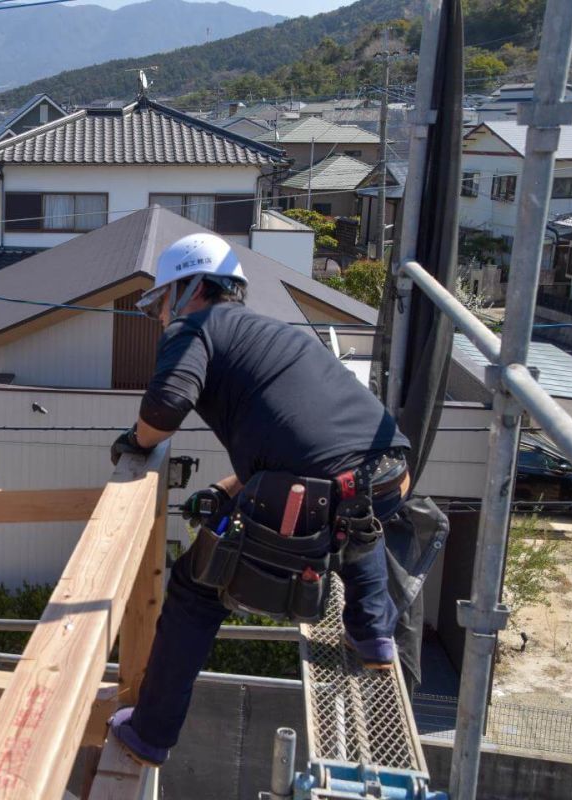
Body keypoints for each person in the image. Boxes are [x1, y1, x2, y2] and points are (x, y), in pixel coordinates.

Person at [107, 233, 412, 766]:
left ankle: (150, 733)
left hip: (320, 492)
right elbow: (303, 446)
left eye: (160, 302)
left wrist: (135, 443)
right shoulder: (271, 332)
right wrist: (227, 491)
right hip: (390, 475)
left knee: (195, 589)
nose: (159, 317)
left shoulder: (193, 326)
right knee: (354, 520)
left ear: (190, 289)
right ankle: (374, 636)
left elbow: (167, 403)